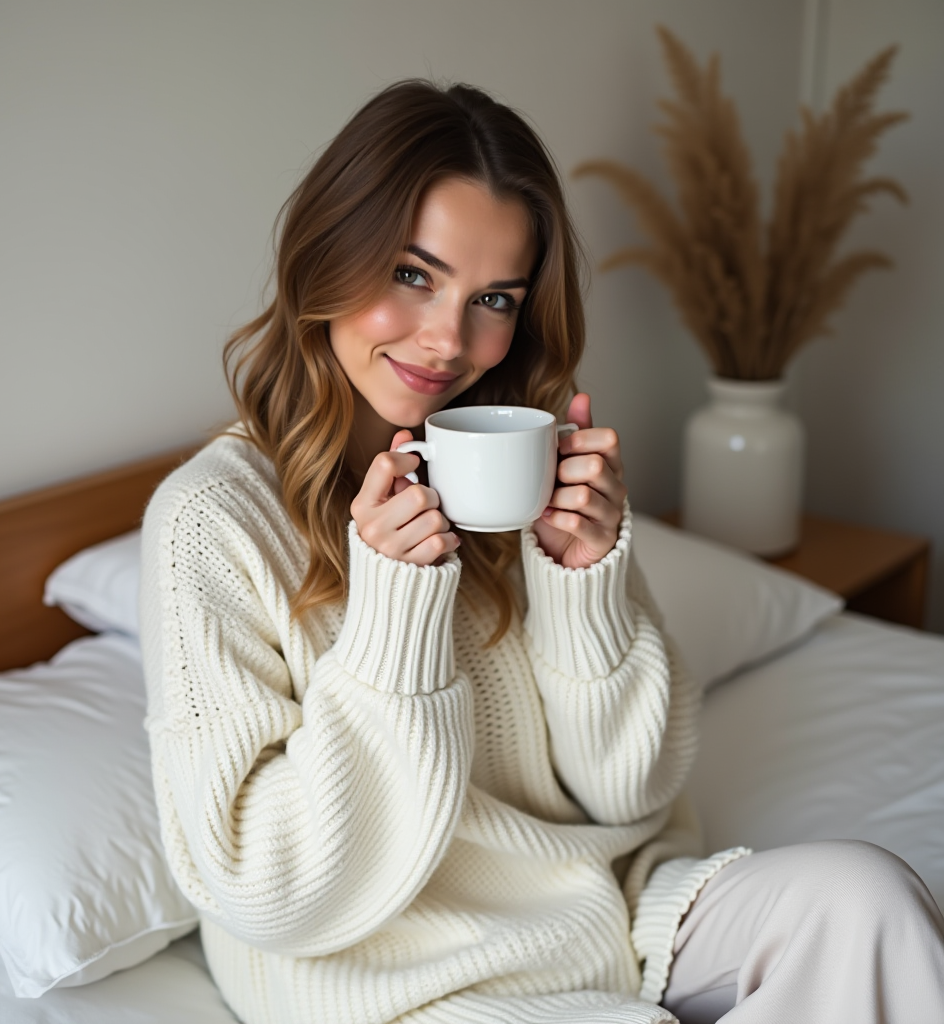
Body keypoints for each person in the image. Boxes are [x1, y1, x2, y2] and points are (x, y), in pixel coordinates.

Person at [140, 80, 944, 1024]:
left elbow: (629, 789)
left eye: (494, 298)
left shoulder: (511, 463)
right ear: (326, 255)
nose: (450, 340)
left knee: (867, 903)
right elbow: (267, 889)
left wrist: (583, 584)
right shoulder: (210, 521)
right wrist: (394, 610)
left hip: (607, 915)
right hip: (399, 980)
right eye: (411, 274)